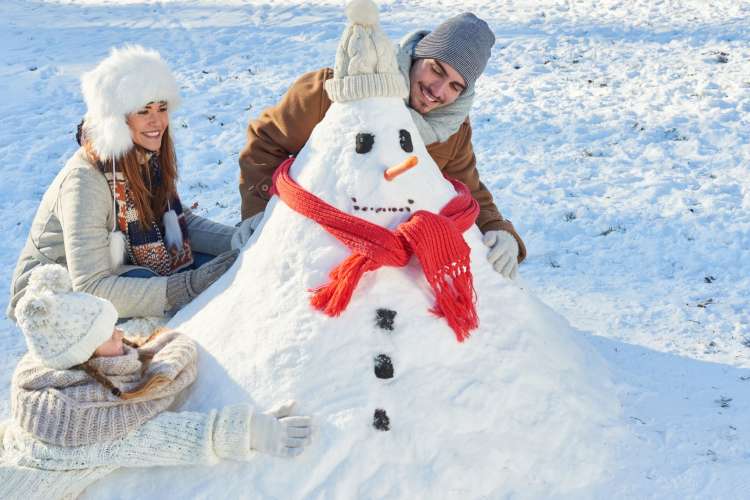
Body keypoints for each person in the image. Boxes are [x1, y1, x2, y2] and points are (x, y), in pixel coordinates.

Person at [238, 12, 527, 279]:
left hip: (390, 265)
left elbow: (469, 190)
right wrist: (259, 211)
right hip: (314, 252)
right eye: (436, 69)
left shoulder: (451, 130)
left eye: (455, 86)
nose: (437, 91)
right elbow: (266, 143)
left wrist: (498, 230)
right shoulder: (336, 90)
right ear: (415, 56)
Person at [0, 265, 312, 499]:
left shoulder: (52, 361)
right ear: (86, 357)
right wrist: (250, 431)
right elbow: (158, 439)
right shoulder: (82, 421)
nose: (120, 334)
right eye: (110, 335)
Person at [7, 45, 258, 322]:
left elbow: (178, 221)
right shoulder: (85, 181)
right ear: (116, 120)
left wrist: (243, 239)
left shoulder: (142, 158)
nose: (157, 120)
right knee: (177, 289)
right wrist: (186, 286)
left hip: (120, 266)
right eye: (143, 110)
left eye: (162, 108)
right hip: (53, 298)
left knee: (226, 269)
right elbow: (91, 286)